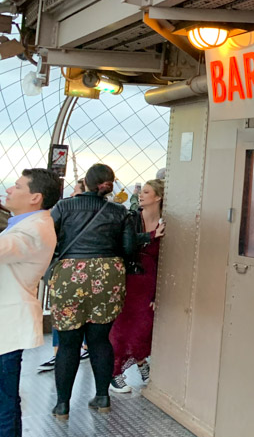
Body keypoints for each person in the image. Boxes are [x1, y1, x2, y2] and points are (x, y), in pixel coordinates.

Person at [48, 163, 135, 418]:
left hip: (70, 275)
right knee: (99, 339)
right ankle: (102, 396)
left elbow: (48, 240)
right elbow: (128, 250)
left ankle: (63, 404)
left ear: (85, 182)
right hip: (108, 275)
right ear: (110, 185)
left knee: (68, 343)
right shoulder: (120, 212)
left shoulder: (63, 207)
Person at [1, 168, 60, 437]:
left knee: (4, 410)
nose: (10, 189)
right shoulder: (24, 225)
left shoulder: (34, 230)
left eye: (18, 186)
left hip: (5, 332)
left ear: (35, 197)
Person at [110, 180, 166, 393]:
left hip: (149, 281)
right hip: (130, 279)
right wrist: (151, 236)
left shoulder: (166, 222)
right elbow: (124, 243)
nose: (140, 195)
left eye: (146, 192)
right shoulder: (133, 219)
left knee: (143, 327)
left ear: (158, 197)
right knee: (122, 328)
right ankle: (115, 373)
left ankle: (141, 361)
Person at [36, 178, 89, 374]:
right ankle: (85, 347)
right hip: (89, 273)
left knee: (61, 312)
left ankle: (59, 353)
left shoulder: (64, 211)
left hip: (65, 270)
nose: (72, 195)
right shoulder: (101, 215)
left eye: (75, 191)